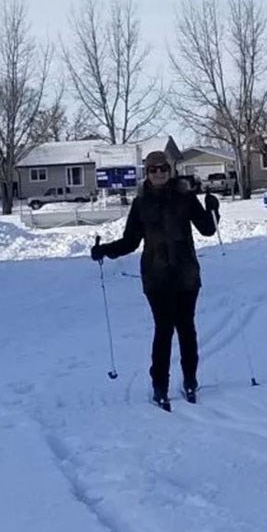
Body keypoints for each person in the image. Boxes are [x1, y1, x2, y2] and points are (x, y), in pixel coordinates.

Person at [91, 151, 220, 409]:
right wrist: (105, 249)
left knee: (186, 328)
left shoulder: (185, 196)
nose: (159, 173)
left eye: (163, 168)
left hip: (186, 274)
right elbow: (131, 241)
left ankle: (190, 380)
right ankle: (159, 384)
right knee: (163, 330)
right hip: (156, 276)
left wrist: (213, 209)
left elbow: (207, 229)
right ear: (146, 173)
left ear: (170, 170)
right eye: (153, 169)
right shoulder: (141, 204)